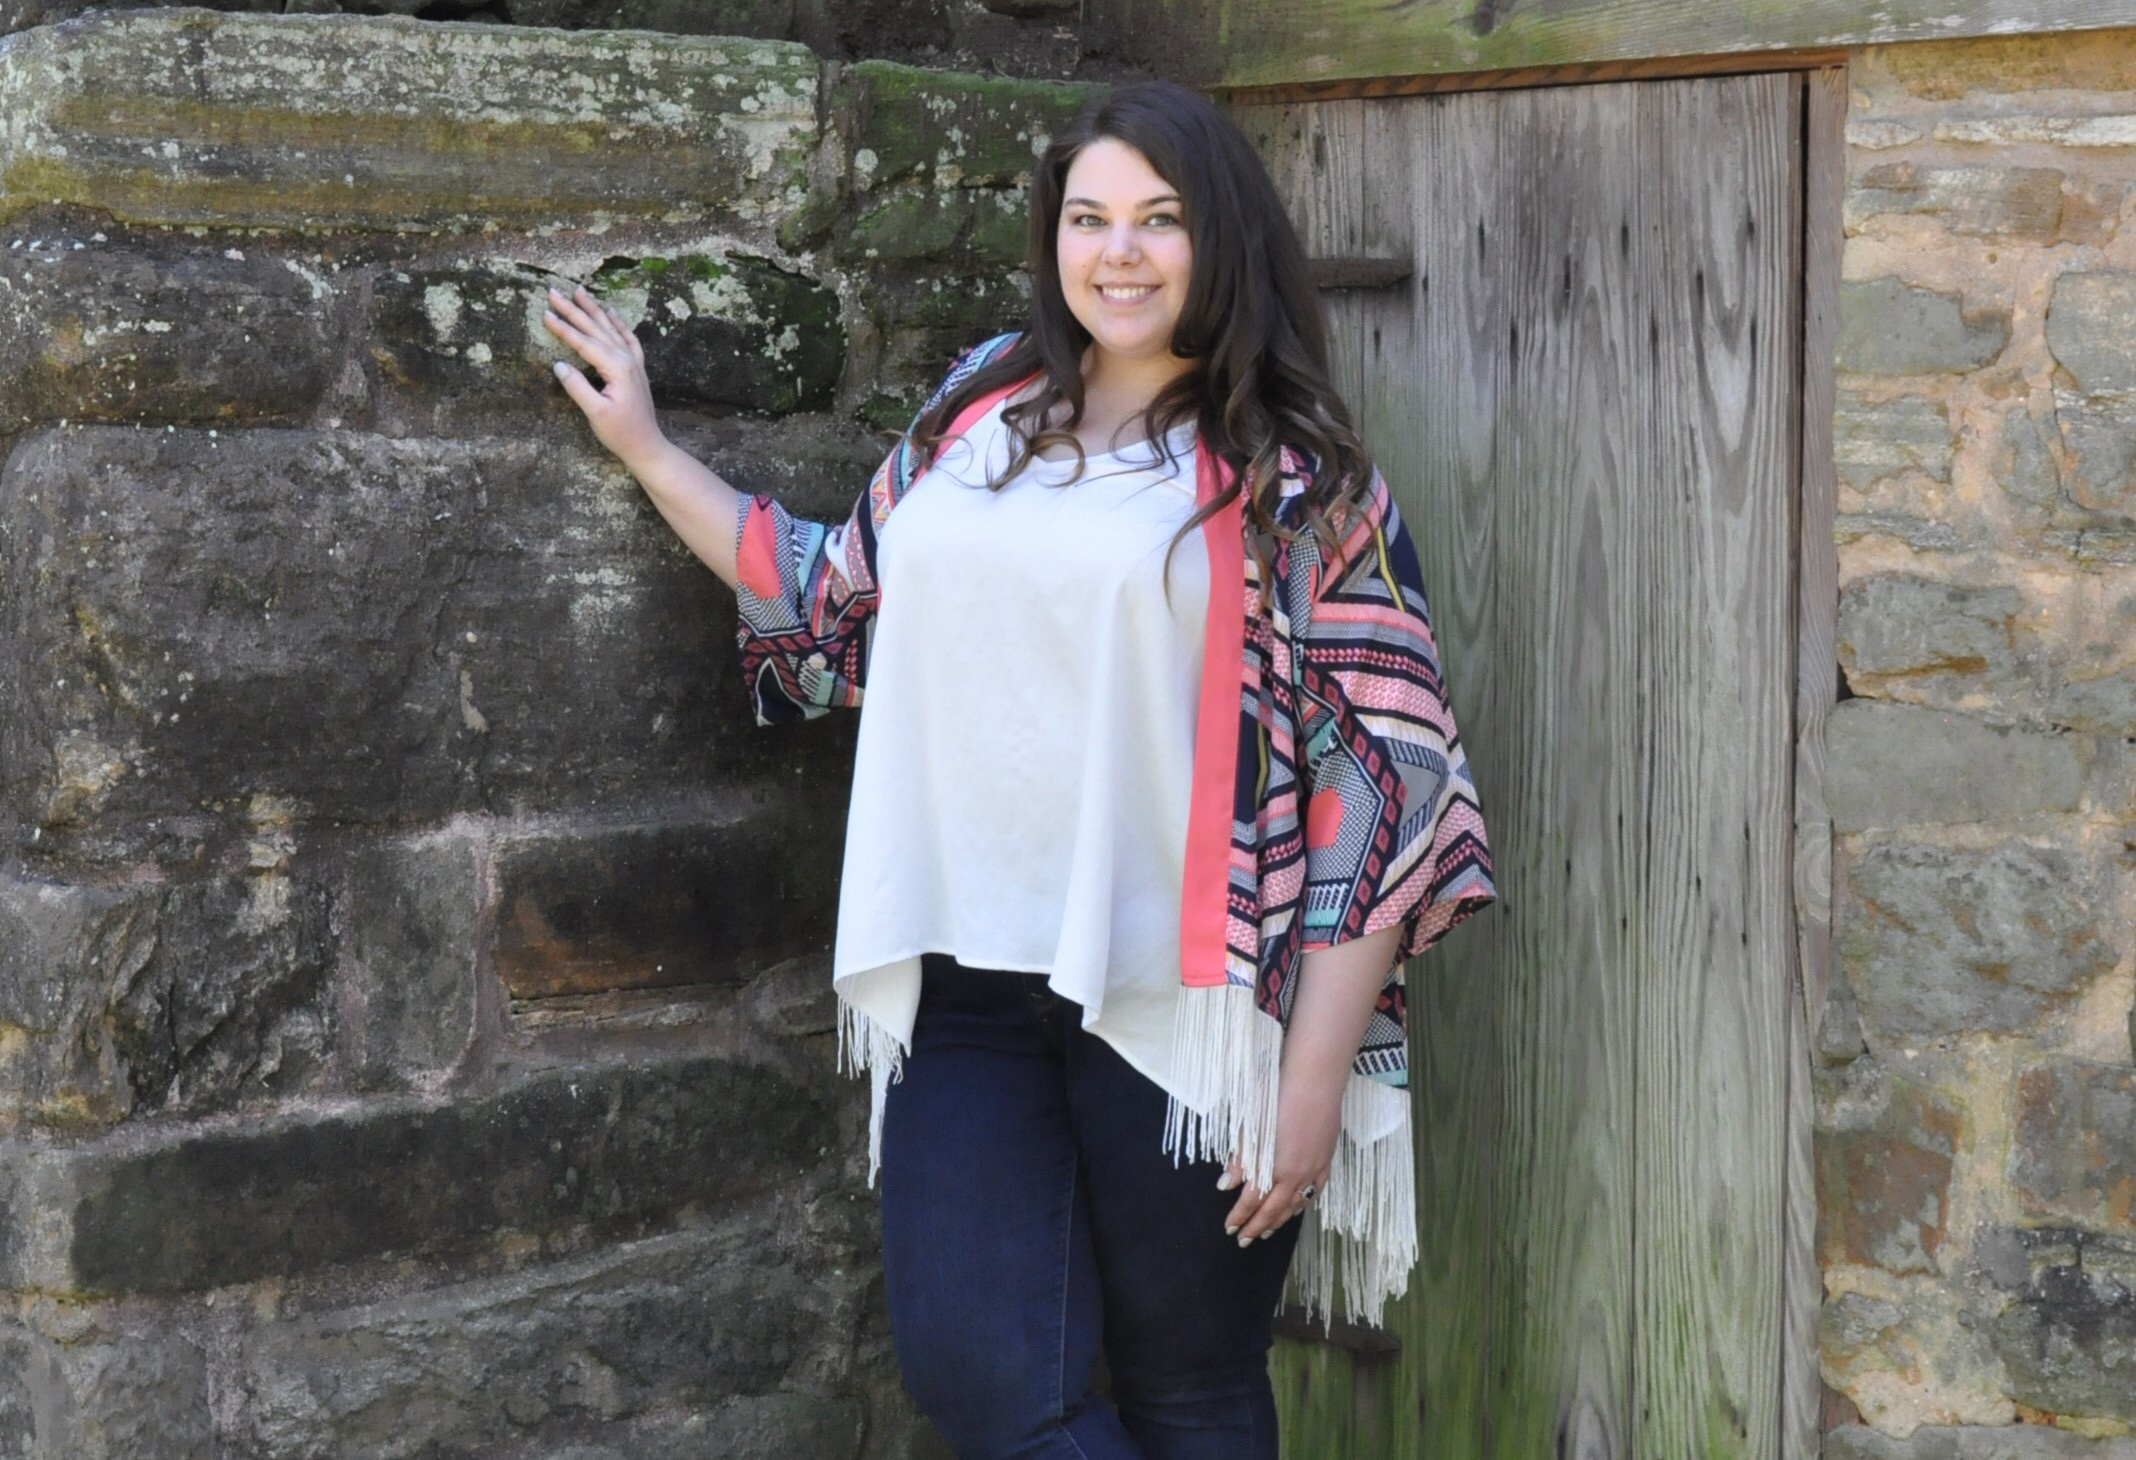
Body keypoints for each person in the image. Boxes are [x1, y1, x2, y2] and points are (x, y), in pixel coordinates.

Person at [545, 77, 1495, 1460]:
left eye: (1159, 220)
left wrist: (1307, 1087)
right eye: (1089, 217)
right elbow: (840, 600)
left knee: (1191, 1391)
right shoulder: (984, 400)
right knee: (984, 1380)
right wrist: (645, 446)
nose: (1118, 253)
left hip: (1194, 1008)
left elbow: (1390, 793)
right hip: (963, 974)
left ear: (1218, 237)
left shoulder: (1299, 478)